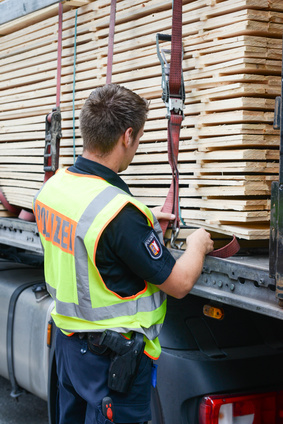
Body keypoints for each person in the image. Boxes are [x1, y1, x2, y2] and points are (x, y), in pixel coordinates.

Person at [33, 84, 214, 424]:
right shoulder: (120, 215)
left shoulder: (54, 187)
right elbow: (179, 283)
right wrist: (198, 244)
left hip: (69, 347)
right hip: (112, 362)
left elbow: (84, 240)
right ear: (127, 136)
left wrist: (136, 233)